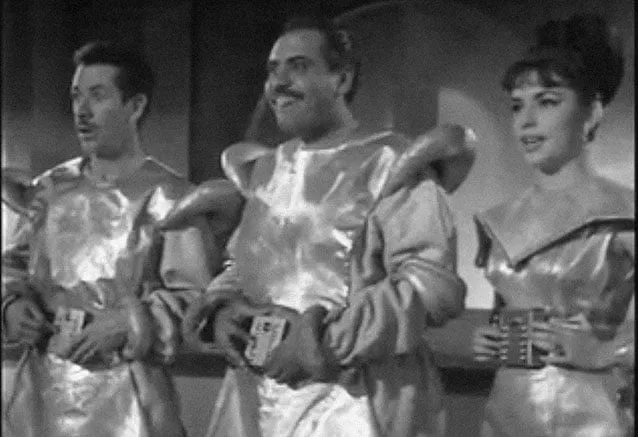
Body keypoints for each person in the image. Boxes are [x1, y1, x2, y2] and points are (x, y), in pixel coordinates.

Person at [177, 15, 474, 437]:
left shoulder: (390, 162)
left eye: (298, 66)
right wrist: (224, 313)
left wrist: (317, 343)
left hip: (354, 405)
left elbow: (429, 285)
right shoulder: (266, 170)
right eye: (272, 70)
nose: (278, 83)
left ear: (342, 78)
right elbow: (242, 269)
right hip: (257, 403)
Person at [1, 41, 218, 437]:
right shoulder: (50, 190)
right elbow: (11, 266)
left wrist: (129, 322)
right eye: (76, 96)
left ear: (135, 106)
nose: (81, 110)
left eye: (97, 96)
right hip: (42, 399)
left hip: (128, 403)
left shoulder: (170, 197)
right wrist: (12, 306)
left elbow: (197, 299)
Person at [471, 13, 634, 437]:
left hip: (589, 415)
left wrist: (604, 349)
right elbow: (506, 311)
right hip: (507, 412)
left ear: (592, 112)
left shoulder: (621, 215)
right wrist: (491, 340)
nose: (526, 121)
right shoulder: (499, 221)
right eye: (517, 105)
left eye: (547, 102)